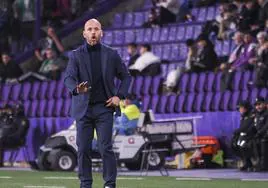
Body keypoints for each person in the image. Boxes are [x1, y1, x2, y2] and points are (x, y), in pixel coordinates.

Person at [64, 18, 131, 188]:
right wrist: (76, 88)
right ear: (84, 33)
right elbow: (68, 77)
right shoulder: (75, 55)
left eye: (96, 29)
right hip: (83, 109)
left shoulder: (111, 54)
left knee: (105, 147)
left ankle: (110, 184)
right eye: (90, 29)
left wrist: (119, 96)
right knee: (83, 149)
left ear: (101, 32)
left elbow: (126, 76)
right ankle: (85, 184)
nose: (93, 32)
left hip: (104, 107)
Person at [233, 101, 254, 171]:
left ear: (246, 108)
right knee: (234, 144)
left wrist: (236, 132)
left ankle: (249, 163)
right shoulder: (243, 116)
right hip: (243, 135)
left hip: (251, 135)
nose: (240, 110)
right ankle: (246, 162)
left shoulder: (251, 115)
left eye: (241, 108)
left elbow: (246, 127)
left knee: (242, 145)